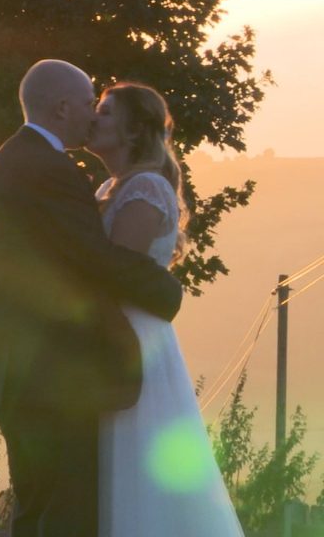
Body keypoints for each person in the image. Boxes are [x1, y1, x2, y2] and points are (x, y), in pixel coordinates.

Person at [0, 59, 183, 537]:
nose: (92, 115)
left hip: (29, 365)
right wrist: (167, 290)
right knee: (66, 508)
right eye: (90, 103)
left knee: (44, 504)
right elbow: (94, 258)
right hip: (44, 368)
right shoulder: (46, 168)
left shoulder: (24, 159)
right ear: (63, 108)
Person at [86, 82, 244, 536]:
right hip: (116, 331)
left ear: (135, 129)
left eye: (106, 111)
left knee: (133, 465)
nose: (94, 117)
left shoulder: (146, 187)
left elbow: (114, 270)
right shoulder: (112, 186)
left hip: (132, 340)